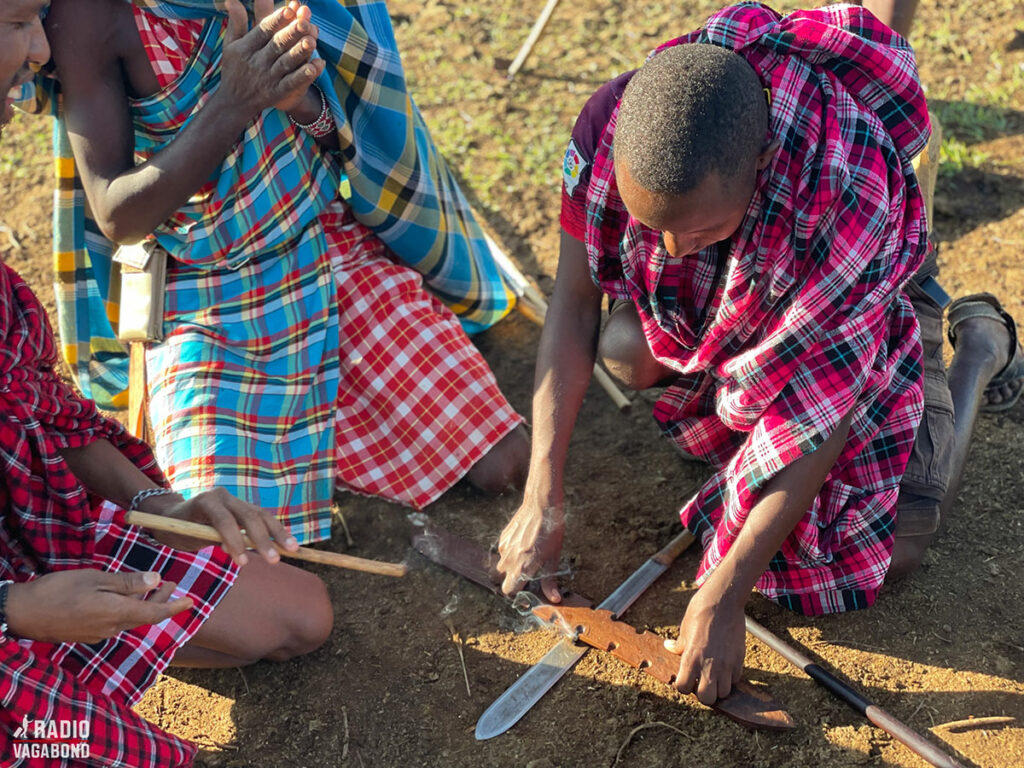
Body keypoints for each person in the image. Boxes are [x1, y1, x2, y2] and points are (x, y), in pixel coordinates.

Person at [496, 2, 1024, 708]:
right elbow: (572, 302)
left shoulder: (844, 190)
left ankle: (978, 347)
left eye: (700, 228)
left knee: (898, 546)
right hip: (755, 315)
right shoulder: (610, 126)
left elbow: (824, 411)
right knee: (625, 347)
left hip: (869, 313)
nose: (672, 253)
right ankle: (745, 415)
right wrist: (542, 493)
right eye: (657, 230)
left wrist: (725, 592)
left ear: (765, 165)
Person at [42, 0, 529, 545]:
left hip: (326, 249)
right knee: (225, 536)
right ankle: (313, 454)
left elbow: (342, 133)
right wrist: (232, 101)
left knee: (502, 464)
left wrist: (300, 104)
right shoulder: (90, 15)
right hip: (208, 303)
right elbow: (116, 213)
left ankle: (312, 454)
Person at [1, 3, 332, 763]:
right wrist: (18, 613)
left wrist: (159, 505)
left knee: (298, 615)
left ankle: (64, 674)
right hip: (10, 607)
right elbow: (121, 214)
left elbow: (39, 408)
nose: (43, 46)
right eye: (18, 19)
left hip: (32, 537)